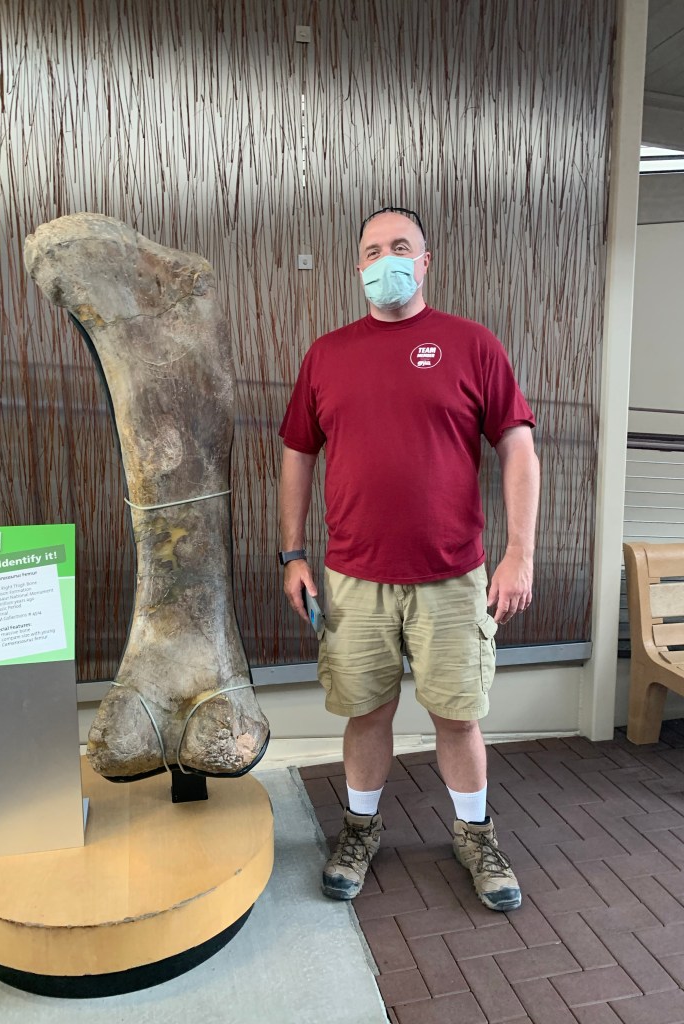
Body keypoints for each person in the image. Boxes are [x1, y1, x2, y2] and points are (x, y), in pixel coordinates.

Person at [278, 207, 539, 912]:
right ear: (358, 266)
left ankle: (476, 835)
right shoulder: (327, 355)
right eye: (372, 250)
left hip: (452, 577)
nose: (385, 259)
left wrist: (519, 552)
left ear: (424, 263)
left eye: (400, 247)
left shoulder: (472, 345)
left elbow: (517, 446)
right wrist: (293, 554)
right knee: (365, 712)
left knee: (458, 716)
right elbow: (298, 452)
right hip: (353, 577)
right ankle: (360, 830)